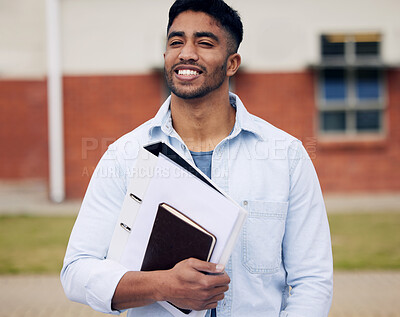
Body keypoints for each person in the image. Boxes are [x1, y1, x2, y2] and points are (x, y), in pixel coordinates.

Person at [61, 0, 333, 316]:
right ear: (165, 56)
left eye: (204, 43)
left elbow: (313, 280)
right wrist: (162, 286)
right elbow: (77, 272)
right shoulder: (125, 156)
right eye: (176, 42)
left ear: (232, 63)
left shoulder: (286, 156)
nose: (187, 53)